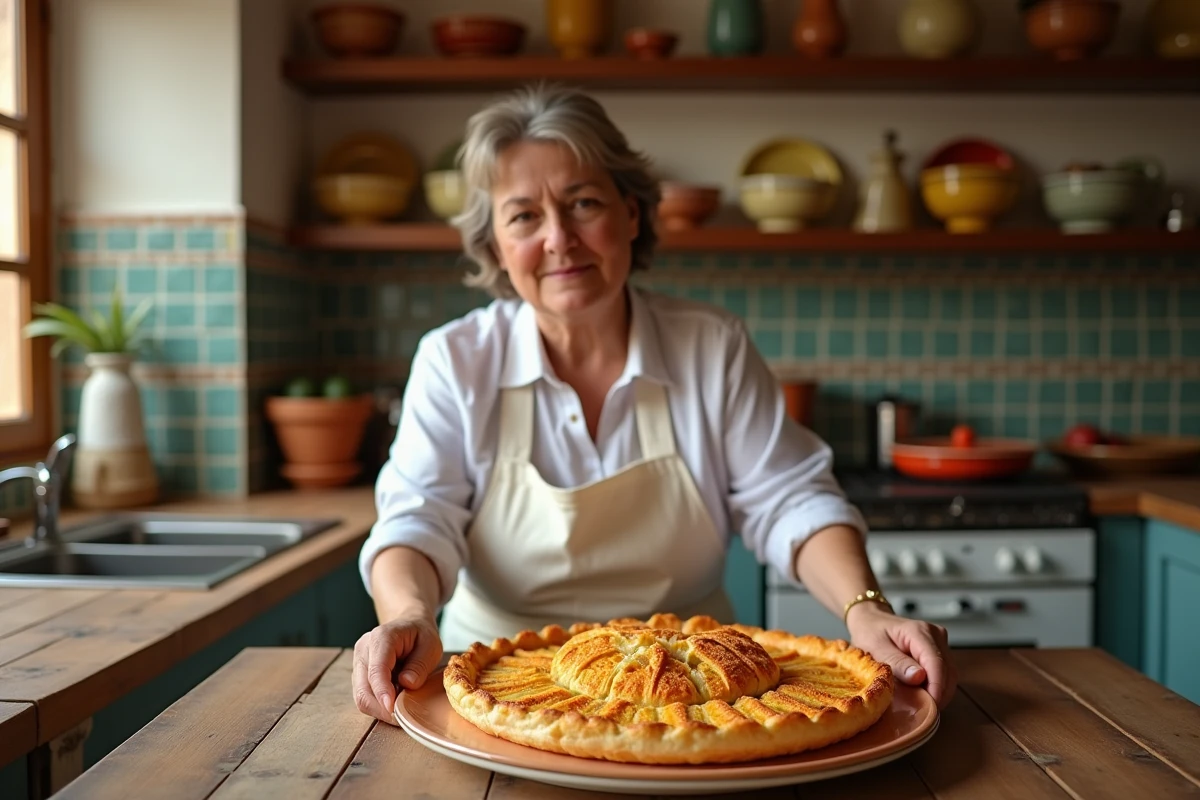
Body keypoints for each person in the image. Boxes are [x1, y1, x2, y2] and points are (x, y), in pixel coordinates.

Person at [352, 84, 956, 724]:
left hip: (701, 700)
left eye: (583, 203)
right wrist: (409, 614)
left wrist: (865, 607)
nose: (559, 238)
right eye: (524, 216)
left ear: (632, 214)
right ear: (496, 244)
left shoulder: (711, 346)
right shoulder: (456, 359)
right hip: (500, 691)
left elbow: (790, 499)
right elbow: (417, 520)